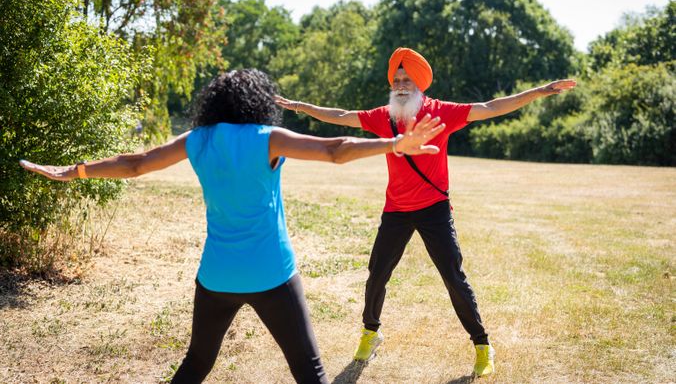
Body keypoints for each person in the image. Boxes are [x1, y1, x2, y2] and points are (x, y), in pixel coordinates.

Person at [19, 69, 446, 384]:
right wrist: (393, 143)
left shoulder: (196, 140)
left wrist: (73, 172)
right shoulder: (268, 136)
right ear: (258, 101)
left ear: (215, 103)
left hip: (216, 277)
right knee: (310, 371)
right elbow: (335, 150)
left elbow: (134, 164)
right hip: (272, 275)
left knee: (196, 363)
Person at [276, 47, 577, 377]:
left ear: (420, 84)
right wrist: (300, 106)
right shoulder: (384, 117)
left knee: (453, 278)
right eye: (397, 80)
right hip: (396, 210)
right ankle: (370, 334)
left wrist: (539, 91)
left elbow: (491, 107)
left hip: (434, 209)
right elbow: (342, 115)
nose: (401, 85)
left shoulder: (441, 112)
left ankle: (482, 345)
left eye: (407, 80)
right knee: (377, 274)